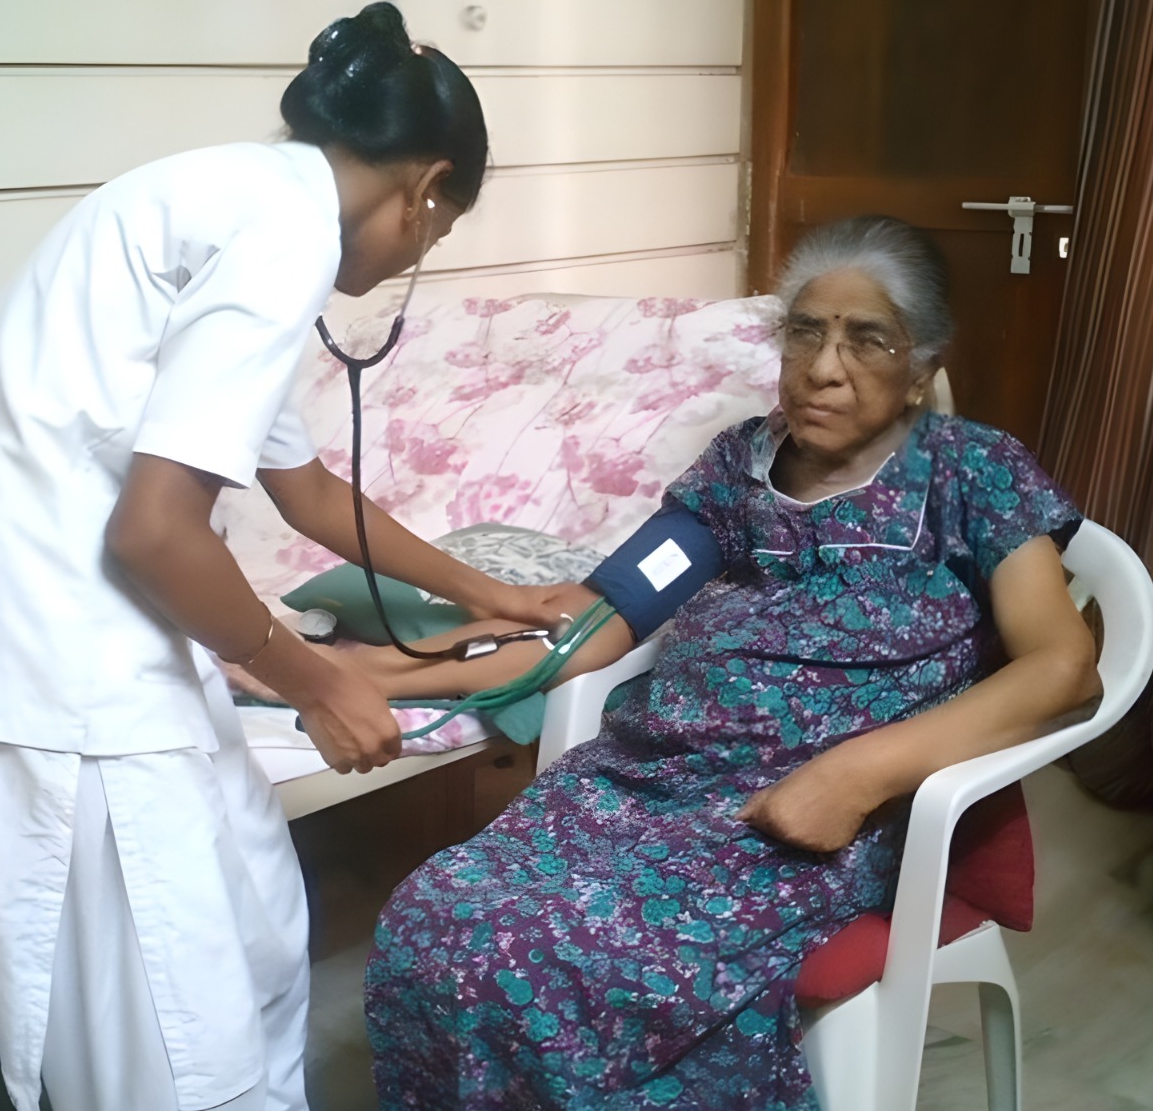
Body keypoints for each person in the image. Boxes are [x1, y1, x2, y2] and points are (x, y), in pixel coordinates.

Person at [0, 3, 559, 1111]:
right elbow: (154, 532)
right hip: (66, 672)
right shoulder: (280, 235)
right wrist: (321, 681)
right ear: (426, 185)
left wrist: (496, 592)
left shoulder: (233, 199)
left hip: (59, 637)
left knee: (255, 918)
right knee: (178, 1046)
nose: (413, 258)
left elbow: (303, 491)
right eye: (434, 237)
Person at [350, 216, 1104, 1108]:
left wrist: (855, 774)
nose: (825, 367)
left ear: (921, 369)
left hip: (802, 816)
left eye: (868, 340)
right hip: (641, 780)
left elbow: (1065, 666)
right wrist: (385, 674)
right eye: (806, 332)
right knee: (434, 917)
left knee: (570, 964)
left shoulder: (973, 470)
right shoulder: (736, 465)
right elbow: (603, 619)